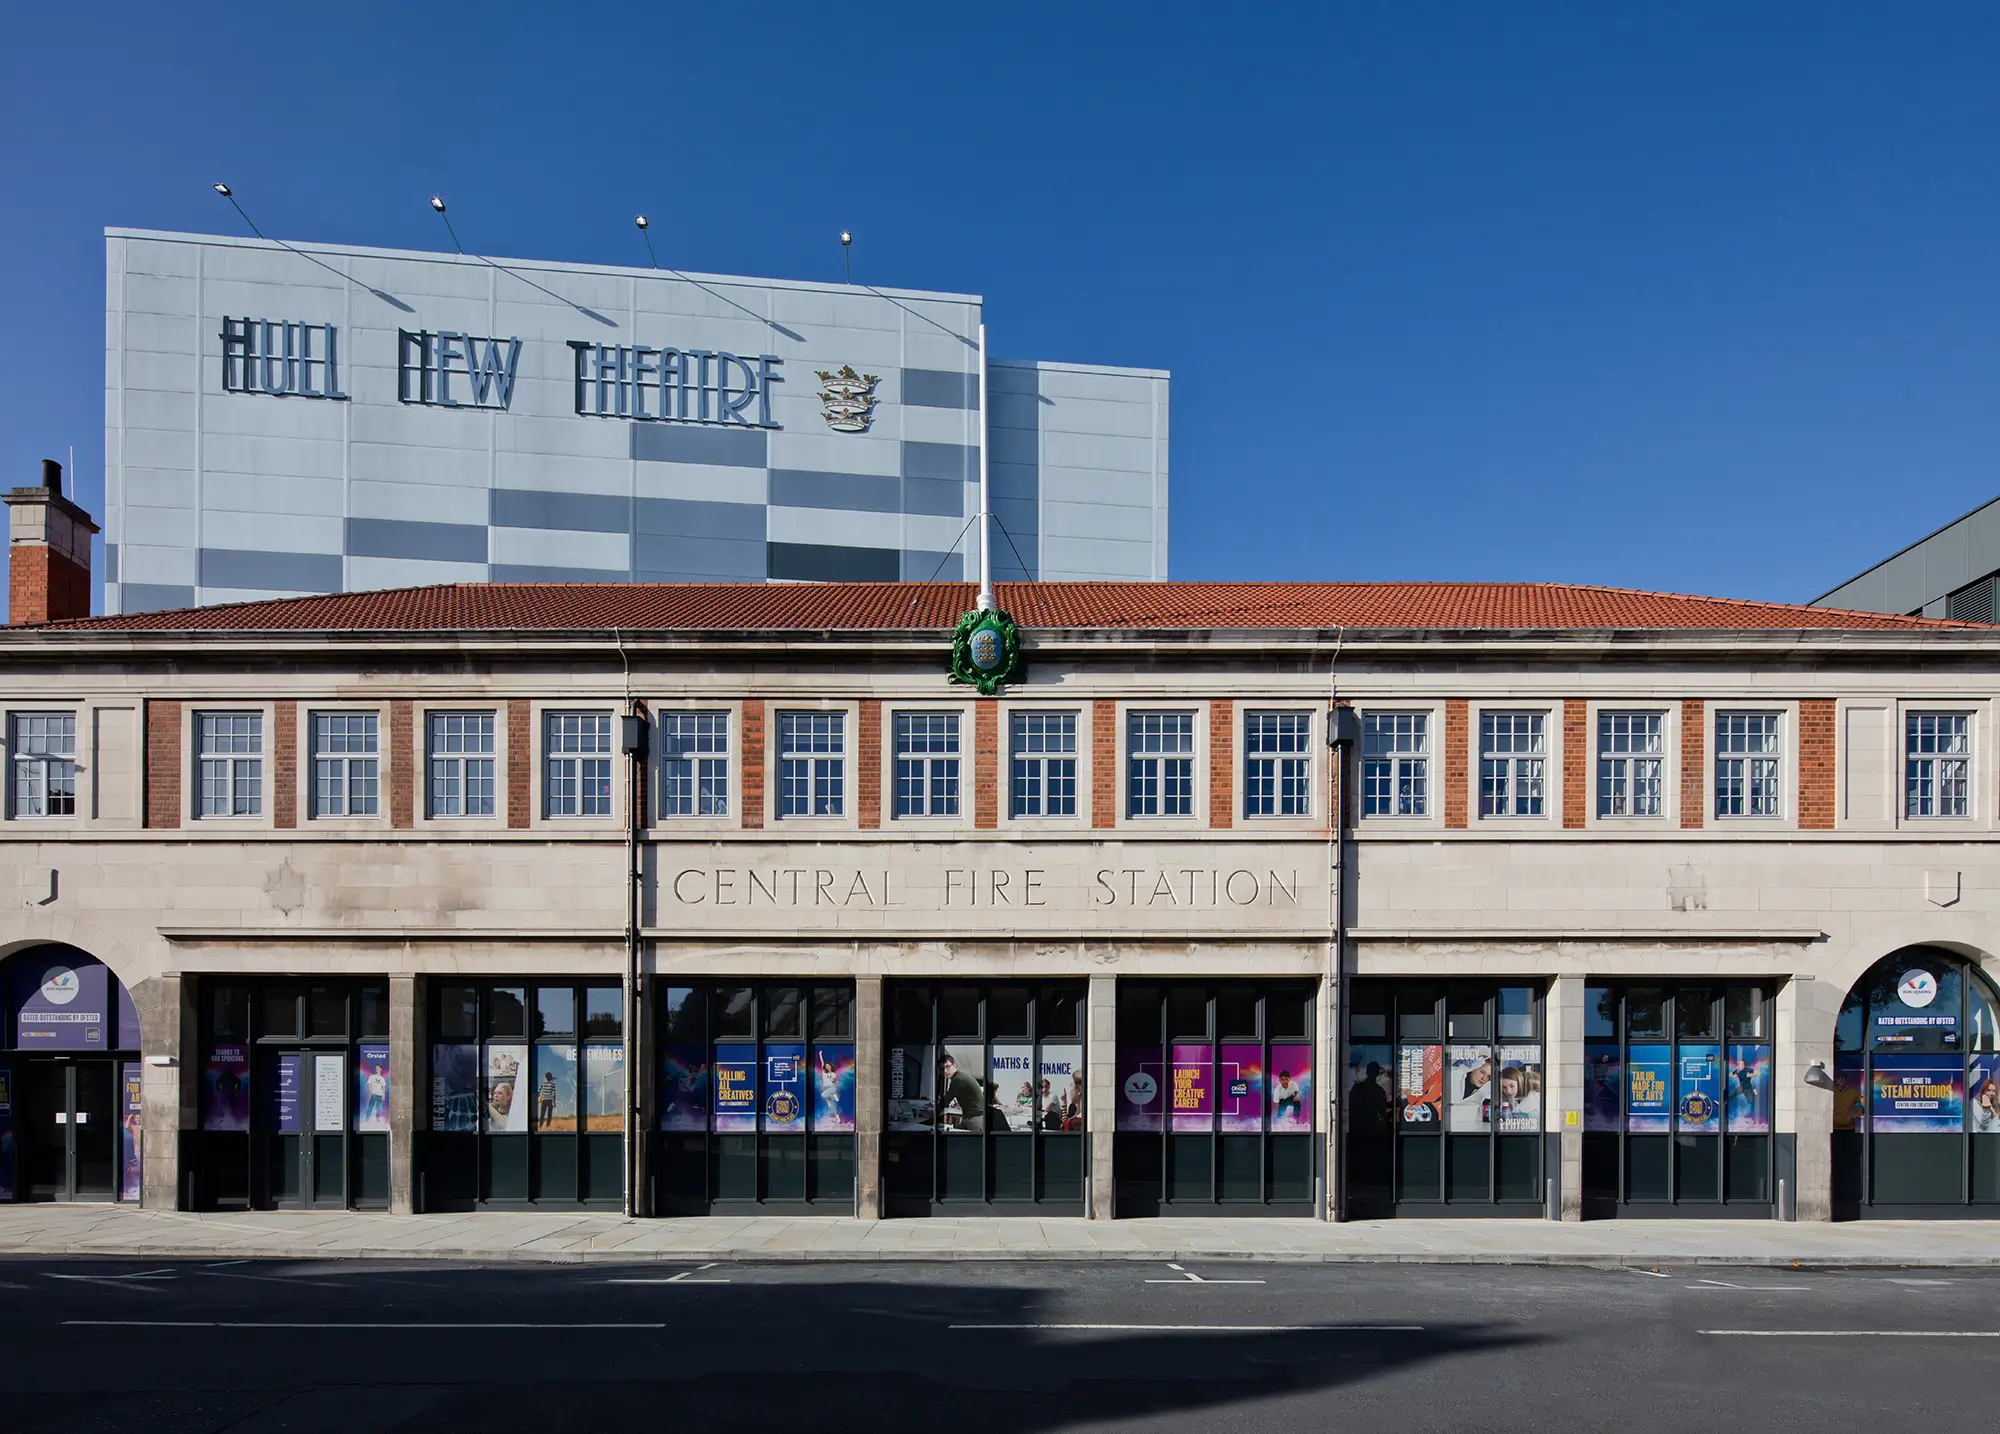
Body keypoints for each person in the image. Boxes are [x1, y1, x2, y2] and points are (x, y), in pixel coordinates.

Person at [938, 1052, 987, 1131]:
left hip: (975, 1119)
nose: (945, 1071)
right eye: (941, 1068)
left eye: (947, 1067)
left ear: (954, 1066)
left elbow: (946, 1100)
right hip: (970, 1116)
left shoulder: (957, 1080)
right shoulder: (959, 1077)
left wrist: (931, 1113)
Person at [1348, 1060, 1391, 1134]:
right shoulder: (1379, 1091)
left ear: (1367, 1072)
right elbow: (1382, 1111)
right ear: (1377, 1073)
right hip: (1371, 1127)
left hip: (1358, 1126)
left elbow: (1350, 1106)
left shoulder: (1357, 1088)